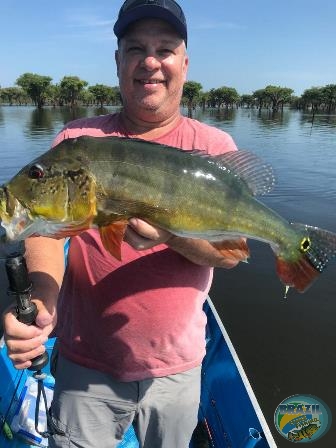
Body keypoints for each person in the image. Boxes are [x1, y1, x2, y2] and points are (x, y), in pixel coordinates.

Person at [3, 1, 240, 447]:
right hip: (86, 364)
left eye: (165, 49)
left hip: (178, 368)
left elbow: (232, 253)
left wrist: (170, 236)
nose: (150, 61)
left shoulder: (214, 147)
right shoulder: (76, 142)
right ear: (117, 62)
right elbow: (45, 232)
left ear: (184, 64)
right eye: (135, 48)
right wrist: (43, 300)